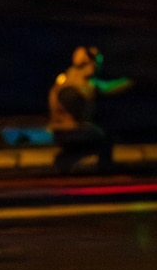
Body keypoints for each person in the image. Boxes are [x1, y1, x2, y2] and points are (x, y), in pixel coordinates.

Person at [48, 46, 134, 174]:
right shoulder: (86, 83)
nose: (98, 66)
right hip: (71, 129)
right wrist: (133, 79)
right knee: (105, 137)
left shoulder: (63, 78)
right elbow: (109, 87)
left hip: (57, 130)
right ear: (89, 62)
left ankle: (65, 162)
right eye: (97, 62)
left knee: (90, 134)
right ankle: (104, 169)